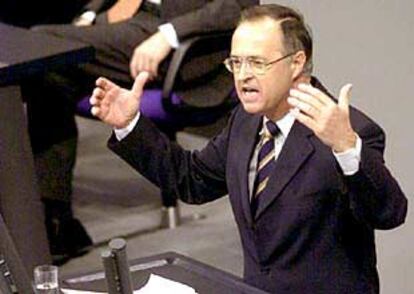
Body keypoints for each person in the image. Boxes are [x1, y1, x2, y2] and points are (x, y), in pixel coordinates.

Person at [89, 4, 408, 293]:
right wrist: (129, 124)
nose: (242, 77)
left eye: (256, 62)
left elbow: (389, 213)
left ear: (297, 62)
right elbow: (192, 180)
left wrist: (347, 148)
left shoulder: (348, 130)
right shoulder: (246, 120)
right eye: (236, 63)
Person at [22, 0, 258, 265]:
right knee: (48, 71)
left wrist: (169, 34)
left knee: (39, 45)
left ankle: (55, 223)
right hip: (127, 18)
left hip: (176, 38)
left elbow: (238, 6)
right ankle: (56, 220)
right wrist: (90, 13)